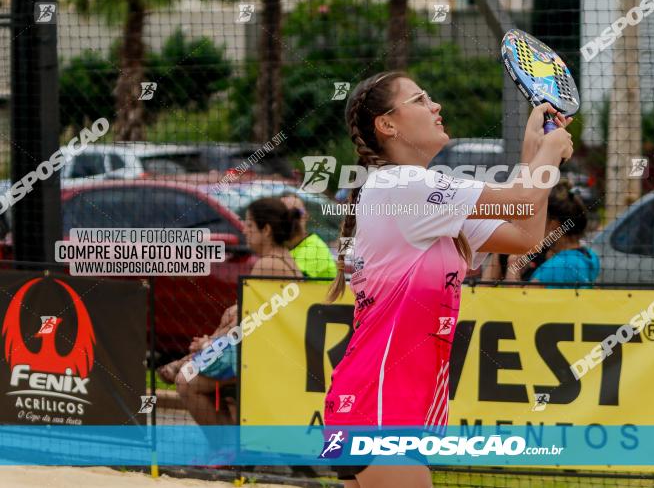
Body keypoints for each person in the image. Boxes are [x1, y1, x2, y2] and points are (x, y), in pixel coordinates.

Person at [322, 71, 573, 487]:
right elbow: (523, 197)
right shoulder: (403, 185)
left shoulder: (423, 201)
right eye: (420, 100)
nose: (435, 105)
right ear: (387, 124)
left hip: (380, 401)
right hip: (382, 405)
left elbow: (526, 233)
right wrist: (547, 153)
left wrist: (534, 152)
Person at [168, 197, 302, 426]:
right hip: (264, 353)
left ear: (266, 230)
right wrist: (211, 344)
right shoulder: (283, 260)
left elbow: (247, 325)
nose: (245, 231)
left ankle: (227, 452)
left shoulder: (268, 265)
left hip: (262, 359)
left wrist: (208, 346)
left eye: (249, 225)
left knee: (186, 380)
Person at [484, 180, 600, 287]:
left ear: (553, 225)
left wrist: (512, 268)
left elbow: (518, 305)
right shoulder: (590, 256)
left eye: (541, 218)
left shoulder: (557, 266)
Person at [281, 193, 337, 279]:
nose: (291, 219)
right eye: (285, 215)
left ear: (306, 216)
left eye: (296, 214)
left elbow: (291, 283)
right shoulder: (281, 247)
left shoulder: (314, 248)